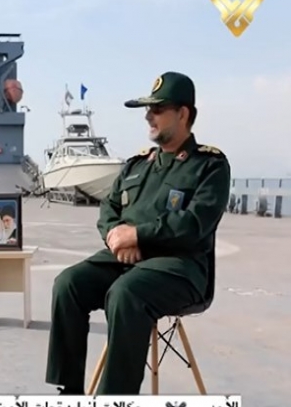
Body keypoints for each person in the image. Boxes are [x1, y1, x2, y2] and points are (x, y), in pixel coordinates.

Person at [44, 71, 231, 395]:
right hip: (124, 260)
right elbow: (109, 208)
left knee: (126, 293)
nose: (148, 116)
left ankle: (115, 398)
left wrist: (138, 236)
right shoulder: (136, 165)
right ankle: (69, 392)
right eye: (147, 109)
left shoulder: (209, 166)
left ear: (182, 113)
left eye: (157, 109)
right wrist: (116, 237)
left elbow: (194, 224)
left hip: (179, 269)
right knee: (68, 284)